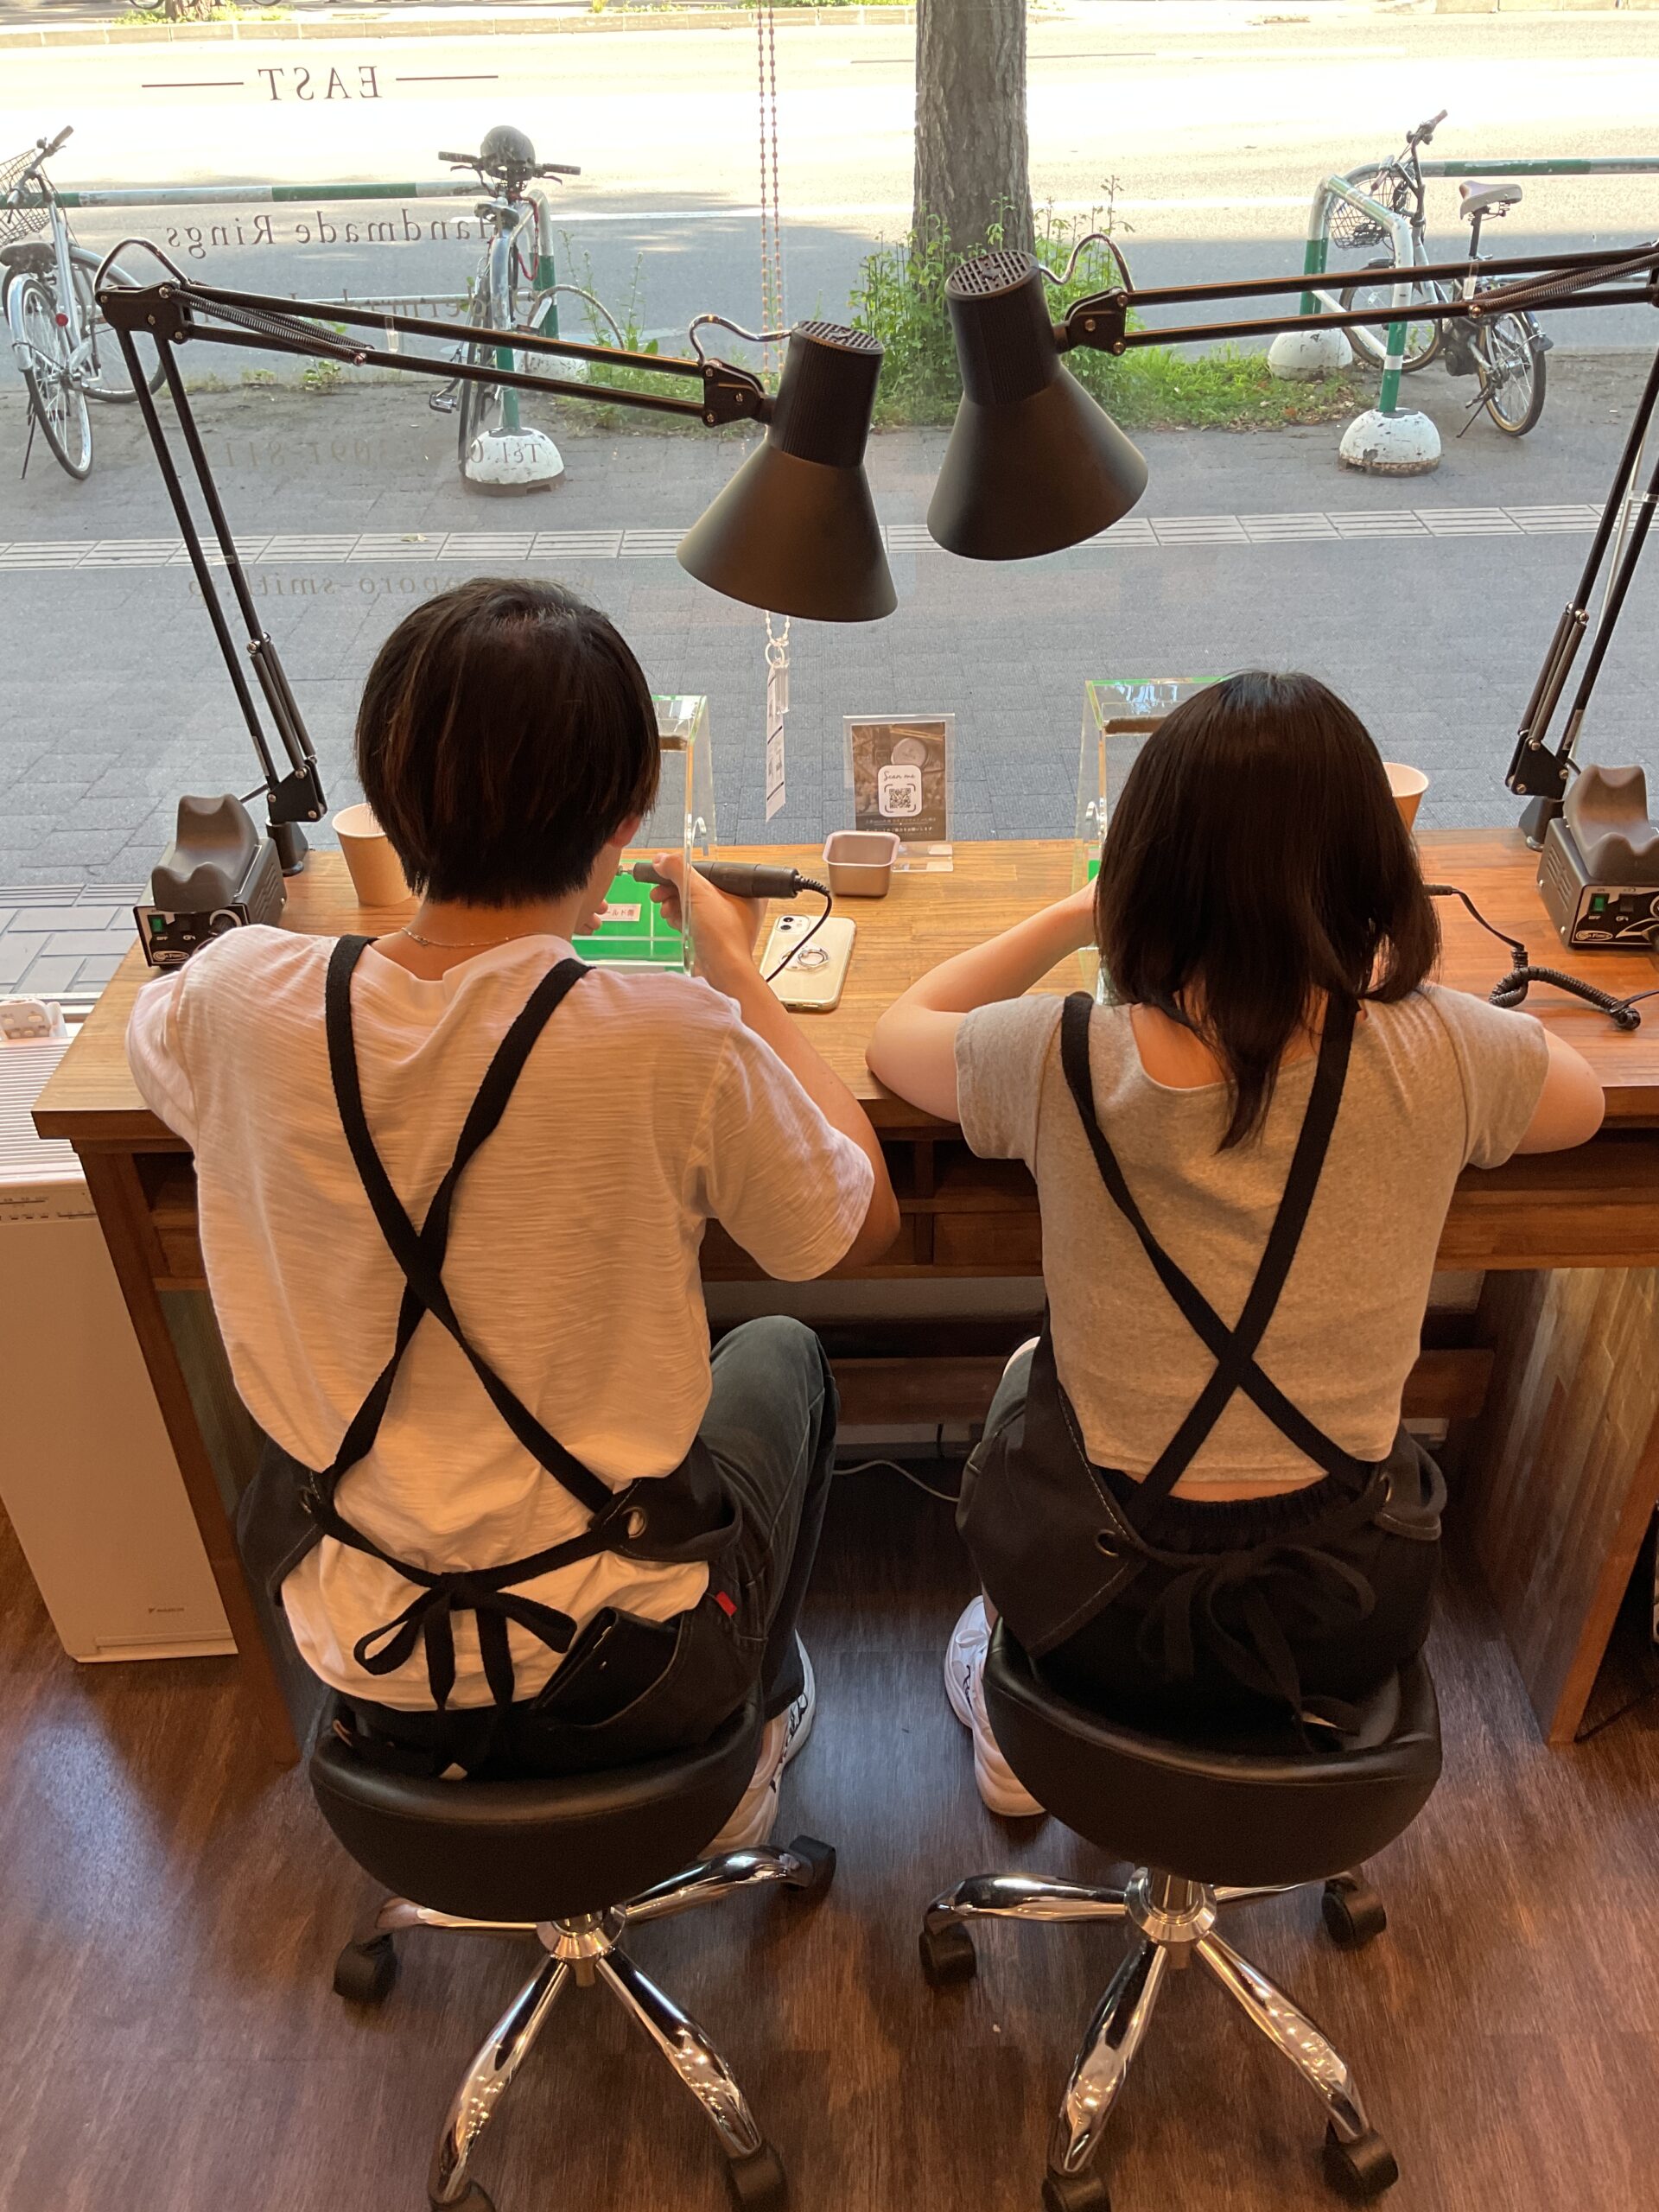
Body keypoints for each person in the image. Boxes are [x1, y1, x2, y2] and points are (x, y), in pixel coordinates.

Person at [127, 577, 898, 1848]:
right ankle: (743, 1727)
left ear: (389, 796)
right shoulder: (670, 1038)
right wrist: (736, 975)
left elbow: (165, 1055)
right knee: (782, 1353)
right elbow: (857, 1230)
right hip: (623, 1664)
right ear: (626, 819)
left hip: (366, 1655)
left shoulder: (237, 998)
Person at [868, 671, 1604, 1816]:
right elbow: (1585, 1103)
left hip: (1097, 1606)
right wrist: (1396, 997)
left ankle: (1023, 1725)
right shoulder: (1445, 1050)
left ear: (1146, 872)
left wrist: (1074, 915)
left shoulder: (1063, 1056)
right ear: (1373, 874)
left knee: (1031, 1373)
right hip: (1344, 1609)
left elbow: (897, 1035)